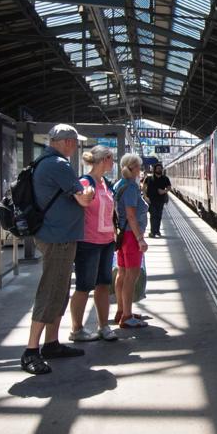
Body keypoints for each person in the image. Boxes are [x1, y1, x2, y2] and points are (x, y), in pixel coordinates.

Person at [21, 124, 95, 375]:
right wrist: (90, 189)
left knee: (60, 290)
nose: (74, 147)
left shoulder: (44, 161)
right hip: (58, 238)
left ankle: (51, 343)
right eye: (73, 142)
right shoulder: (59, 165)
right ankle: (31, 351)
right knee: (51, 290)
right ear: (65, 142)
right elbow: (83, 199)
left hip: (56, 235)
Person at [68, 145, 119, 343]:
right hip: (88, 242)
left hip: (107, 241)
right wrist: (84, 195)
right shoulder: (85, 182)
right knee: (84, 286)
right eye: (111, 159)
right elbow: (80, 203)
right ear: (104, 159)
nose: (113, 163)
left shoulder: (105, 183)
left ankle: (103, 326)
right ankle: (77, 329)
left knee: (103, 284)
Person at [115, 153, 150, 329]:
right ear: (133, 168)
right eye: (138, 166)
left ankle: (122, 311)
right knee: (131, 276)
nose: (140, 169)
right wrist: (140, 239)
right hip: (131, 236)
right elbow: (131, 215)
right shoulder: (130, 187)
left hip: (123, 235)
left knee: (122, 274)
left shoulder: (119, 184)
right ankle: (127, 317)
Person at [142, 164, 172, 237]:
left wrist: (164, 191)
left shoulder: (165, 178)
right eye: (158, 168)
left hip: (160, 200)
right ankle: (153, 232)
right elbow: (144, 187)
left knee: (159, 216)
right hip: (151, 200)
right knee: (153, 215)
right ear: (154, 170)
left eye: (160, 169)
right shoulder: (148, 178)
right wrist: (145, 196)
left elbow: (169, 187)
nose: (159, 170)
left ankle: (157, 231)